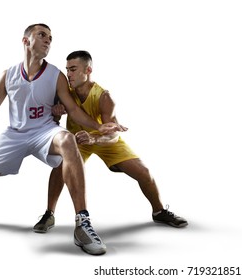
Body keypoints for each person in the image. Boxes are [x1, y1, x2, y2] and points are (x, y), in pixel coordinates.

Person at [0, 24, 125, 256]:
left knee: (68, 140)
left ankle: (82, 223)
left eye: (50, 37)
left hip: (44, 131)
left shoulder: (56, 75)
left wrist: (98, 125)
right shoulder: (9, 74)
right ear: (26, 41)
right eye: (42, 35)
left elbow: (73, 110)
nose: (48, 40)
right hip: (15, 134)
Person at [33, 50, 187, 235]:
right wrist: (56, 113)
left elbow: (113, 135)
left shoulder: (104, 97)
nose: (69, 74)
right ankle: (49, 213)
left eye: (73, 69)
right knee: (59, 167)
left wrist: (94, 137)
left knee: (144, 173)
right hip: (77, 141)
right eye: (67, 69)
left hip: (103, 140)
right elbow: (52, 122)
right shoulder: (65, 93)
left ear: (88, 69)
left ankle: (159, 211)